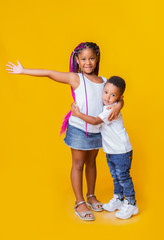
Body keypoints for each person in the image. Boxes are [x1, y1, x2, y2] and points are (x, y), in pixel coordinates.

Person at [6, 42, 123, 221]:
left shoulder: (105, 81)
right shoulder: (75, 78)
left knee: (91, 162)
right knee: (78, 164)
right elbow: (50, 74)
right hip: (78, 129)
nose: (88, 62)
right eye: (83, 59)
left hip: (97, 130)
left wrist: (120, 105)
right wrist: (23, 70)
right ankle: (80, 202)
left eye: (91, 58)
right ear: (77, 60)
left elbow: (118, 96)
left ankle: (91, 196)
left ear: (97, 58)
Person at [71, 76, 139, 219]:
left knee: (123, 177)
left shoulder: (109, 109)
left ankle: (131, 204)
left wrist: (78, 114)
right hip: (112, 151)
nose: (108, 97)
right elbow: (118, 99)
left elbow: (95, 121)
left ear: (119, 97)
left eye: (113, 95)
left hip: (121, 151)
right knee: (116, 177)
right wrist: (120, 103)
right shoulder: (109, 105)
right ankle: (119, 199)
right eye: (106, 92)